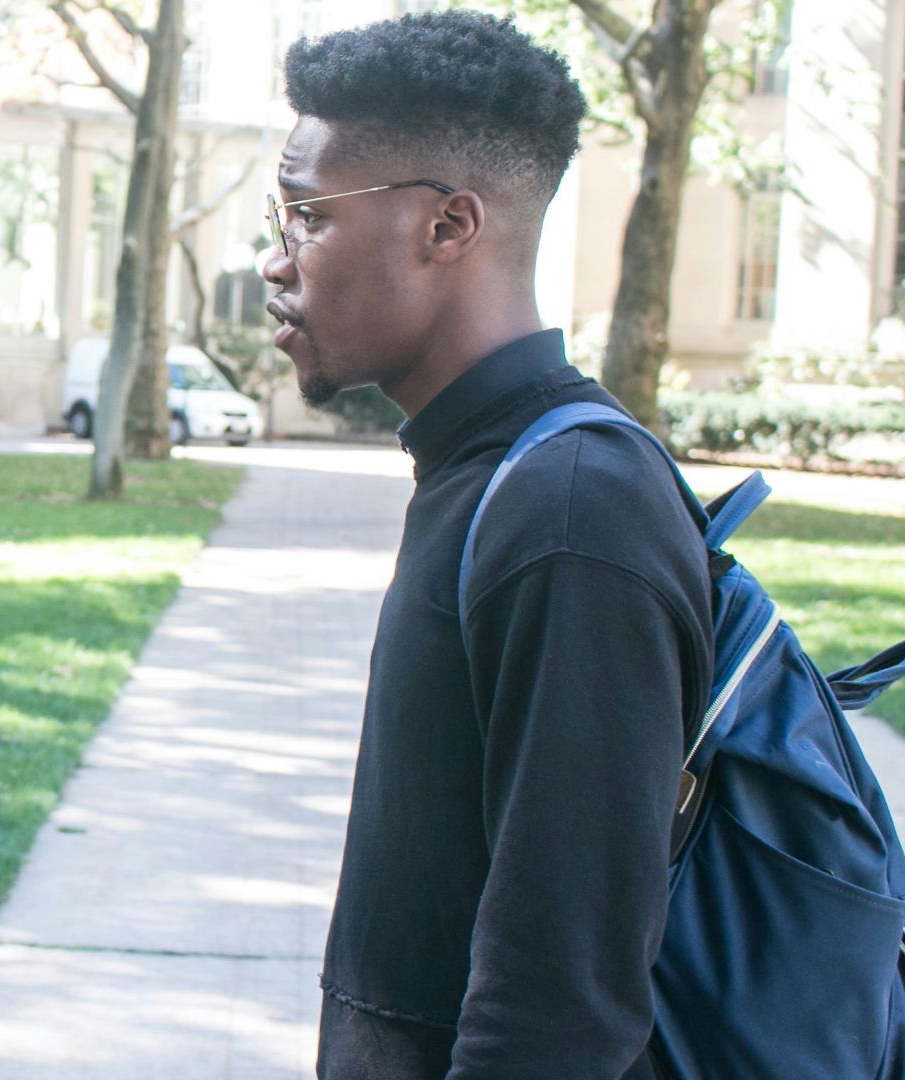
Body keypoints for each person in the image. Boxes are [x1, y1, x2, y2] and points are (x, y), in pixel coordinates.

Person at [259, 13, 714, 1079]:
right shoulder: (486, 472)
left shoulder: (572, 513)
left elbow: (560, 1009)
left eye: (308, 218)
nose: (275, 264)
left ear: (449, 227)